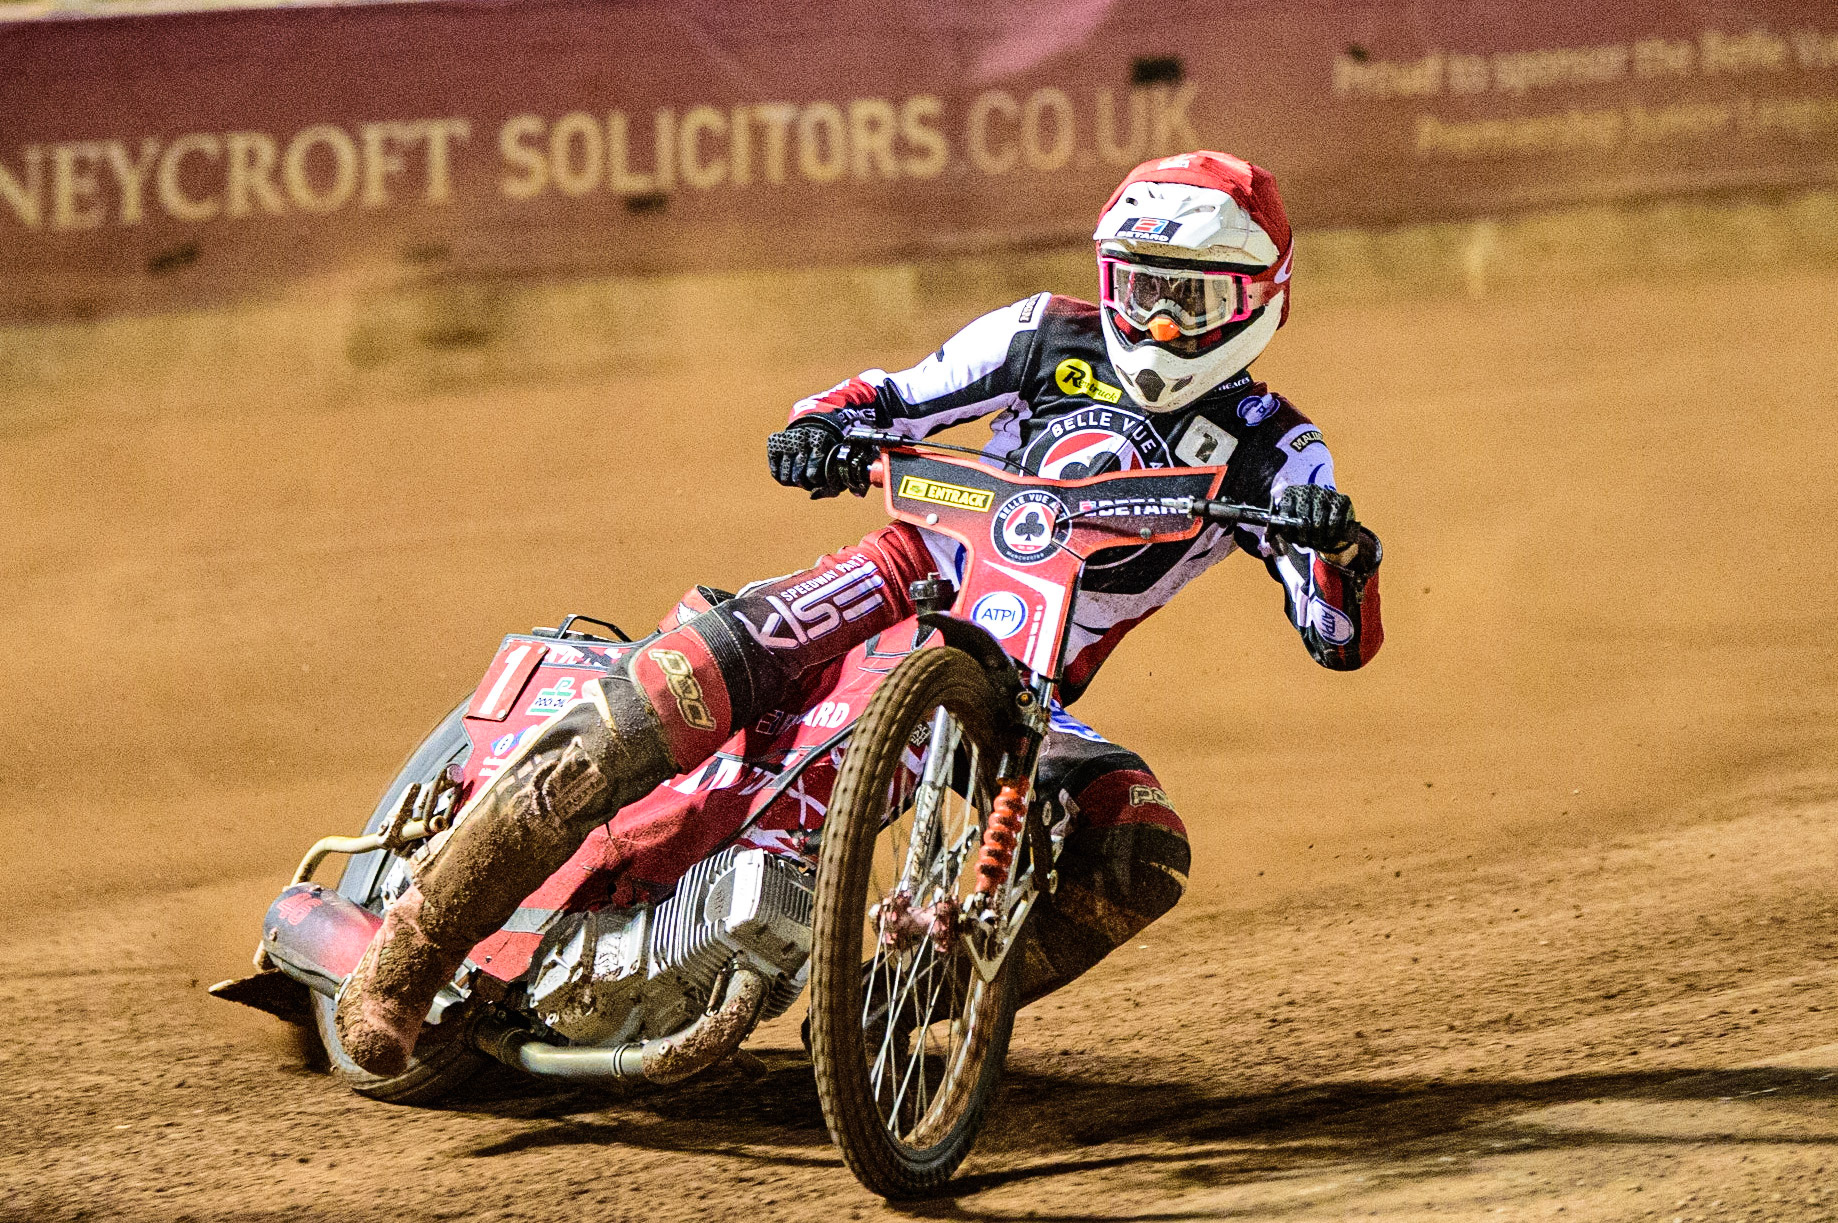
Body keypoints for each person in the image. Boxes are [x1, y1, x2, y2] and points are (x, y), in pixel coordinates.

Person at [335, 149, 1385, 1077]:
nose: (1160, 323)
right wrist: (821, 431)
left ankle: (882, 1004)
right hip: (896, 571)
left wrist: (1337, 548)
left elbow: (1334, 635)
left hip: (1020, 686)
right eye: (1145, 288)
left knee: (1137, 845)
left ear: (1259, 301)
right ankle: (403, 959)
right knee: (677, 683)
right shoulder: (1037, 334)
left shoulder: (1275, 448)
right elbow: (884, 395)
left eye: (1192, 302)